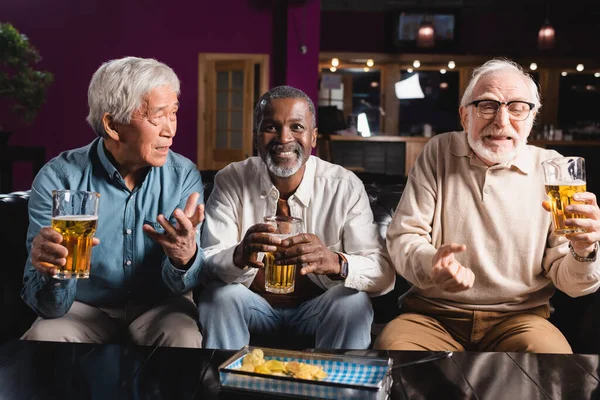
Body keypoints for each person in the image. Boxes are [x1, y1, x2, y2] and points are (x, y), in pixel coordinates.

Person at [375, 58, 600, 353]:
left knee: (554, 365)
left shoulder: (554, 168)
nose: (502, 121)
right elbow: (404, 237)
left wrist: (585, 251)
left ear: (532, 118)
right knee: (392, 353)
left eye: (517, 108)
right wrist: (433, 264)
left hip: (520, 319)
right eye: (488, 106)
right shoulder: (438, 152)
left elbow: (572, 284)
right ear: (464, 116)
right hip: (432, 317)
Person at [21, 57, 205, 348]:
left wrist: (185, 258)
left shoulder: (183, 177)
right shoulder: (59, 178)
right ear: (113, 125)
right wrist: (53, 271)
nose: (170, 129)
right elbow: (48, 307)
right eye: (157, 116)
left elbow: (185, 286)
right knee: (45, 337)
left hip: (158, 307)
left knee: (183, 336)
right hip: (83, 308)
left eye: (173, 113)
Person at [197, 85, 395, 349]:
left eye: (297, 127)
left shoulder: (344, 186)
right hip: (254, 306)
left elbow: (383, 273)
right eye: (271, 127)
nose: (284, 138)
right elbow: (208, 260)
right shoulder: (231, 179)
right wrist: (239, 255)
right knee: (218, 297)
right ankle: (223, 384)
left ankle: (337, 388)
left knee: (354, 301)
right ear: (256, 137)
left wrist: (336, 262)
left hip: (317, 310)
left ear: (313, 137)